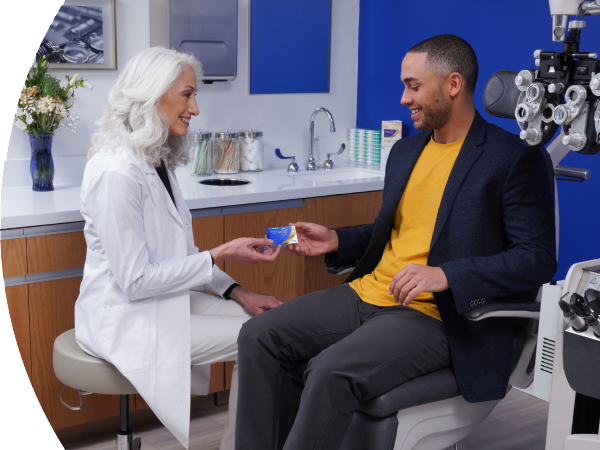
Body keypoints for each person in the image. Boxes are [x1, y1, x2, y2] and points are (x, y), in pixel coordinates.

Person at [234, 34, 557, 450]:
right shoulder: (405, 151)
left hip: (436, 315)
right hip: (368, 294)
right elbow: (393, 232)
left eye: (414, 86)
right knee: (258, 335)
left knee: (330, 370)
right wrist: (335, 240)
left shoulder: (513, 157)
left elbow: (536, 259)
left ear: (453, 85)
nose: (404, 98)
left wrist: (445, 275)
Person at [74, 47, 282, 450]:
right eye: (188, 95)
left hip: (164, 300)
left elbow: (184, 256)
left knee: (273, 324)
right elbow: (135, 282)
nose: (196, 108)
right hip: (126, 316)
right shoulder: (117, 171)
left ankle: (244, 441)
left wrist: (240, 292)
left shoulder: (155, 161)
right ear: (153, 96)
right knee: (268, 336)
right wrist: (220, 253)